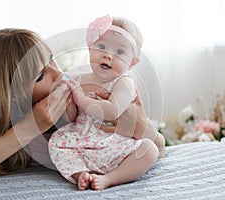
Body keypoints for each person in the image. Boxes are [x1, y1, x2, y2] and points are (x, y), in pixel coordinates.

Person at [0, 28, 162, 188]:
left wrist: (141, 126)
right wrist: (30, 127)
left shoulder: (84, 90)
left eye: (52, 59)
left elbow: (159, 147)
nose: (59, 74)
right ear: (12, 97)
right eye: (41, 75)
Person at [48, 15, 162, 191]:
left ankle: (110, 178)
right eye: (101, 47)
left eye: (119, 52)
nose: (108, 55)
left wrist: (82, 99)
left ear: (132, 63)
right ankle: (82, 174)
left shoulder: (123, 82)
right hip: (84, 141)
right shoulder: (80, 78)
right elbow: (70, 117)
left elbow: (112, 111)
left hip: (116, 145)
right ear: (89, 49)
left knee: (149, 150)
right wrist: (67, 99)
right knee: (56, 141)